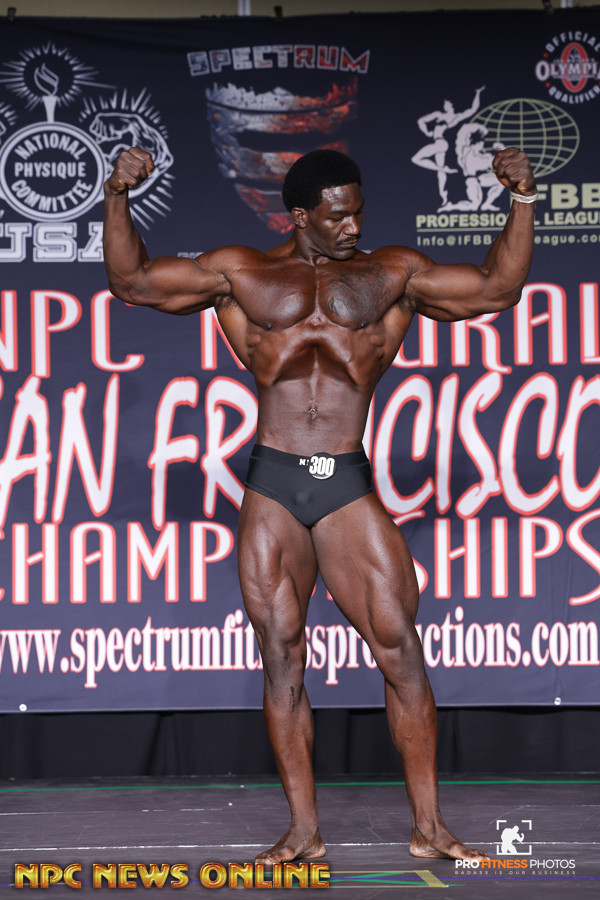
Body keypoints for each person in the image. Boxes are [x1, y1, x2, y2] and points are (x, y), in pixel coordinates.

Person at [103, 145, 537, 864]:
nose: (352, 226)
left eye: (358, 212)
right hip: (274, 481)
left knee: (400, 651)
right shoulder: (240, 272)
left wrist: (521, 199)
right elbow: (131, 281)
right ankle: (304, 832)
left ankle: (429, 828)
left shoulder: (391, 274)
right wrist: (118, 193)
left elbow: (497, 289)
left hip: (344, 482)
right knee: (282, 658)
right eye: (337, 216)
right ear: (300, 215)